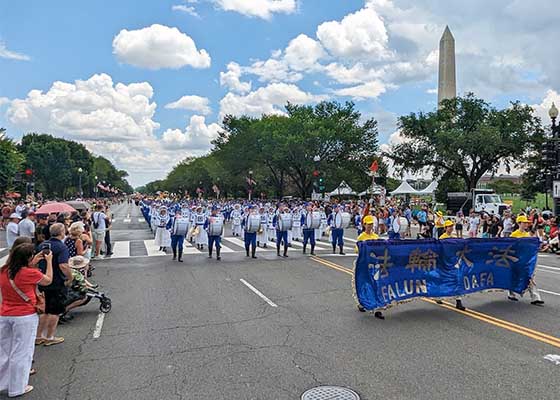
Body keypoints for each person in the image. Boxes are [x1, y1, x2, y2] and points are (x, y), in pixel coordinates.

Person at [0, 243, 53, 397]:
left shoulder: (4, 271)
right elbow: (48, 280)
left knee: (4, 352)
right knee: (22, 352)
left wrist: (32, 261)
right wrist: (48, 261)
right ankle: (17, 387)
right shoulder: (29, 273)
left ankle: (3, 383)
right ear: (28, 258)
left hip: (5, 314)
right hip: (24, 315)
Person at [36, 223, 72, 347]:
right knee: (54, 311)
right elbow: (63, 265)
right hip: (56, 282)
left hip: (43, 281)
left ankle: (39, 336)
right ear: (62, 233)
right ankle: (50, 336)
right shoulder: (61, 247)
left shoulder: (42, 245)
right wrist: (70, 277)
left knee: (45, 311)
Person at [507, 215, 544, 306]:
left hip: (526, 260)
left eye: (527, 223)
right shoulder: (514, 235)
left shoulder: (527, 235)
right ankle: (511, 293)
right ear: (519, 223)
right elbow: (510, 247)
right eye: (524, 223)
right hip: (517, 260)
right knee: (514, 277)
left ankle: (535, 297)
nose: (526, 224)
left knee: (530, 277)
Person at [355, 215, 384, 319]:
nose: (370, 226)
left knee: (377, 285)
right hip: (364, 265)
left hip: (375, 265)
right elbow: (357, 250)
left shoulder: (376, 236)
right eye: (368, 224)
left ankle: (377, 309)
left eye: (371, 224)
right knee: (365, 284)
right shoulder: (361, 237)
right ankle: (362, 303)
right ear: (364, 225)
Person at [438, 220, 466, 310]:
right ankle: (439, 296)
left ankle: (458, 301)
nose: (451, 228)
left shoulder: (453, 238)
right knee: (443, 280)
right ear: (445, 228)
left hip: (453, 262)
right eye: (449, 226)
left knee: (457, 280)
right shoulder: (442, 238)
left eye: (452, 226)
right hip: (445, 262)